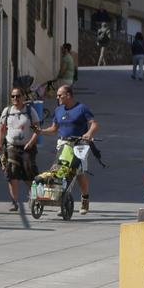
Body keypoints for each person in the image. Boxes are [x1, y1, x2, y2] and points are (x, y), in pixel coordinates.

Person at [53, 83, 100, 215]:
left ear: (68, 95)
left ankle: (85, 199)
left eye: (60, 95)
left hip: (79, 144)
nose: (57, 97)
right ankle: (62, 200)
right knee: (61, 171)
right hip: (63, 143)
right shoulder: (58, 110)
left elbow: (94, 123)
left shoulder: (81, 108)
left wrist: (89, 134)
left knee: (78, 172)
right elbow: (54, 128)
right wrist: (41, 131)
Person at [0, 86, 38, 221]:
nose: (15, 98)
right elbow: (1, 129)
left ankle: (33, 197)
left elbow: (37, 130)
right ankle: (14, 201)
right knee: (12, 173)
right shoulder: (7, 111)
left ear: (23, 97)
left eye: (18, 96)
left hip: (27, 147)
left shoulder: (30, 111)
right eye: (13, 96)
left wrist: (31, 143)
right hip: (11, 147)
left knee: (28, 172)